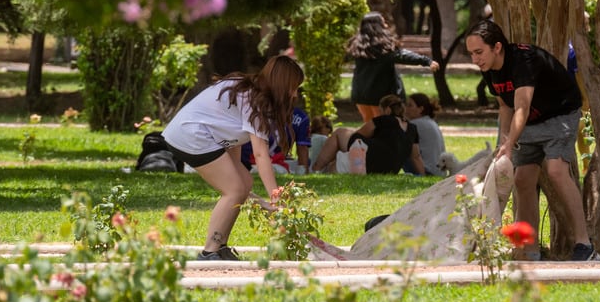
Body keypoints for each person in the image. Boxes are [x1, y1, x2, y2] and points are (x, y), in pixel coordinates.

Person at [464, 20, 598, 262]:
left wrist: (509, 143)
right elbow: (505, 106)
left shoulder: (522, 61)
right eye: (471, 54)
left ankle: (584, 244)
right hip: (529, 123)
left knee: (556, 170)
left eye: (478, 52)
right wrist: (503, 142)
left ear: (497, 47)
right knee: (522, 179)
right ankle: (529, 249)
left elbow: (522, 109)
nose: (475, 59)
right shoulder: (490, 70)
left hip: (560, 115)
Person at [162, 55, 305, 260]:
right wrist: (276, 199)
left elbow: (231, 134)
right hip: (190, 135)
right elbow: (260, 154)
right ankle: (209, 251)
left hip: (195, 133)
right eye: (293, 87)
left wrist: (238, 174)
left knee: (244, 183)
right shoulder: (255, 100)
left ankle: (220, 246)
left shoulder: (251, 90)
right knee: (235, 189)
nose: (294, 94)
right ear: (282, 83)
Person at [348, 12, 439, 123]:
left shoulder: (357, 46)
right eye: (383, 22)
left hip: (361, 94)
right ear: (377, 26)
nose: (386, 25)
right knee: (383, 125)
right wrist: (426, 61)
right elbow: (403, 55)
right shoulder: (383, 47)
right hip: (381, 96)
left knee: (369, 124)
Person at [311, 94, 427, 175]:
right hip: (390, 169)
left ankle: (316, 168)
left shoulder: (383, 119)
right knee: (337, 162)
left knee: (339, 132)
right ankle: (323, 167)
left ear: (386, 110)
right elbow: (416, 157)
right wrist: (423, 176)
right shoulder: (412, 129)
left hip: (370, 160)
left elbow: (359, 135)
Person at [239, 105, 310, 175]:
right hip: (247, 159)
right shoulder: (251, 108)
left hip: (269, 161)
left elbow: (302, 147)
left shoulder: (300, 117)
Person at [405, 93, 446, 176]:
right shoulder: (430, 122)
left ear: (420, 109)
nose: (406, 109)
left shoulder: (415, 124)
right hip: (439, 172)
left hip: (428, 171)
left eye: (410, 105)